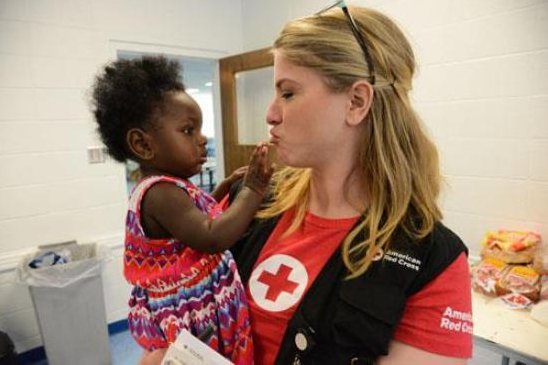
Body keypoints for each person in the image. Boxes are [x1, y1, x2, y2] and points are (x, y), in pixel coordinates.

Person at [228, 3, 473, 364]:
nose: (271, 113)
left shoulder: (433, 261)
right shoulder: (247, 203)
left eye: (289, 93)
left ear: (356, 102)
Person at [90, 56, 273, 365]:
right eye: (188, 131)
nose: (202, 139)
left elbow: (194, 221)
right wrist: (253, 189)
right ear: (143, 145)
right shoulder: (160, 193)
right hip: (194, 320)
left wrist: (224, 188)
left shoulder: (168, 188)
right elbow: (211, 237)